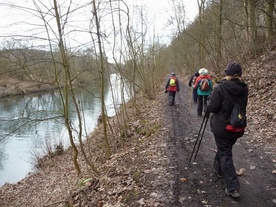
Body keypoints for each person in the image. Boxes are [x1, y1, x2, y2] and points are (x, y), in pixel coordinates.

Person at [206, 63, 248, 198]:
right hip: (237, 125)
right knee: (225, 148)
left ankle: (232, 187)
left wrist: (209, 99)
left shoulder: (221, 87)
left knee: (225, 153)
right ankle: (217, 170)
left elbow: (212, 107)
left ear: (227, 74)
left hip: (222, 126)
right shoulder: (244, 88)